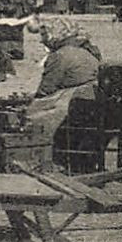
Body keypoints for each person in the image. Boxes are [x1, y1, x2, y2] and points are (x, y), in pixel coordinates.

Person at [22, 17, 104, 151]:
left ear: (54, 35)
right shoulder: (89, 50)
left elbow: (46, 89)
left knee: (30, 116)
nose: (41, 40)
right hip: (92, 100)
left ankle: (38, 153)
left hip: (71, 103)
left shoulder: (60, 55)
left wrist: (29, 103)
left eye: (44, 35)